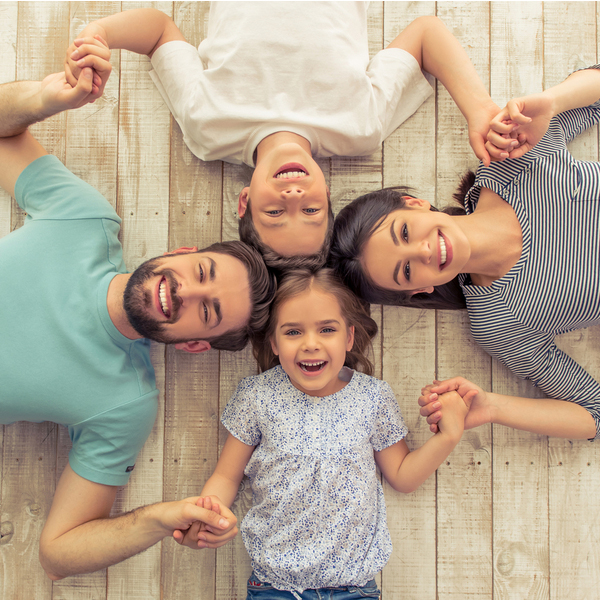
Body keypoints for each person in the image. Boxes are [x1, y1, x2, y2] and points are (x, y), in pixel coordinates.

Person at [0, 69, 274, 580]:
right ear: (184, 252)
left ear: (194, 344)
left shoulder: (125, 404)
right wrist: (47, 97)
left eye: (207, 311)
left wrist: (158, 518)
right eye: (202, 273)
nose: (187, 290)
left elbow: (58, 553)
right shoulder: (83, 220)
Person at [64, 3, 501, 272]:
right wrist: (478, 108)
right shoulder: (360, 128)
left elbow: (158, 31)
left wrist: (101, 34)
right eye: (310, 209)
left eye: (274, 211)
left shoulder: (207, 127)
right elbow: (426, 34)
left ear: (245, 200)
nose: (293, 193)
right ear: (327, 193)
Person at [329, 65, 600, 441]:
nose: (423, 251)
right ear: (419, 291)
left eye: (405, 231)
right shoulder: (499, 322)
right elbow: (593, 414)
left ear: (415, 203)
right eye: (405, 271)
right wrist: (493, 407)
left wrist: (553, 100)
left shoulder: (509, 161)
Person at [177, 269, 468, 599]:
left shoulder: (373, 398)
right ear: (273, 342)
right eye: (293, 332)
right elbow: (227, 477)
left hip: (354, 589)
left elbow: (402, 475)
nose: (310, 344)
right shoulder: (258, 396)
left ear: (348, 337)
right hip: (276, 586)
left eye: (327, 329)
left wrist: (447, 437)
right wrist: (206, 517)